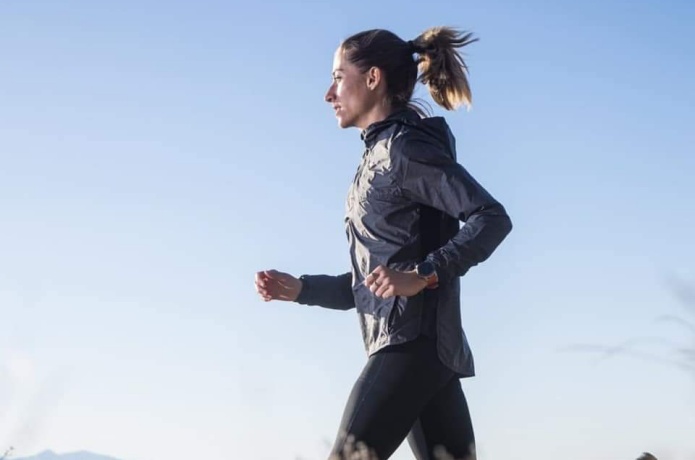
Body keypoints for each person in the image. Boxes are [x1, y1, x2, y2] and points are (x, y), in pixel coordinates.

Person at [255, 26, 512, 460]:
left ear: (373, 78)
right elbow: (376, 284)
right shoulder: (376, 158)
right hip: (423, 348)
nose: (328, 93)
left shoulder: (404, 151)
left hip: (411, 345)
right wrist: (302, 289)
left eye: (338, 77)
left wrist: (423, 273)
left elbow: (491, 218)